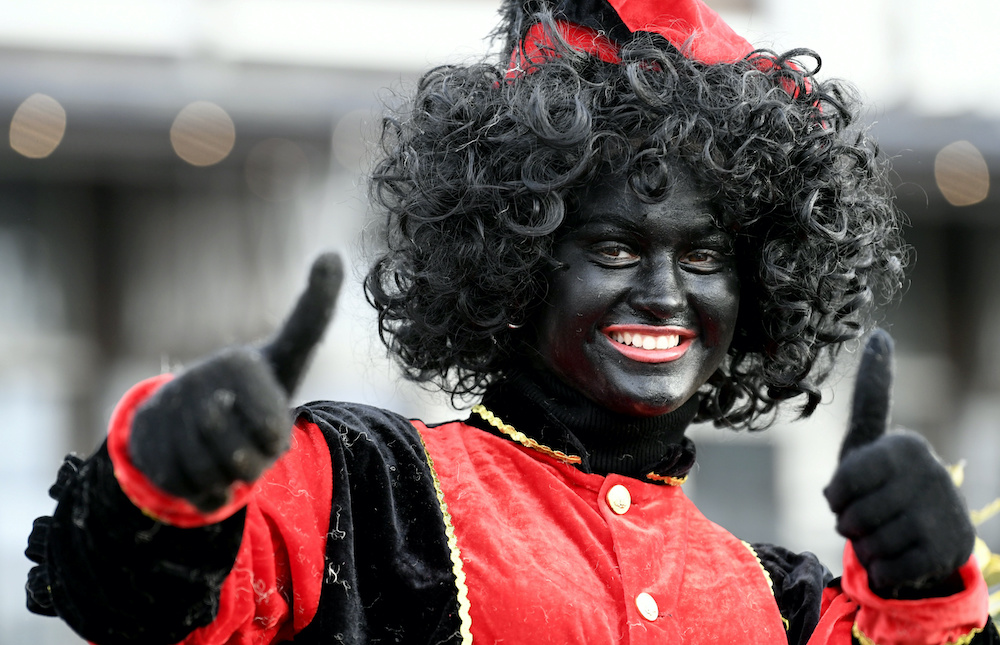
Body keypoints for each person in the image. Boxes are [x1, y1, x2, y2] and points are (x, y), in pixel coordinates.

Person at [25, 0, 994, 643]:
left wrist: (926, 584)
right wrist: (163, 477)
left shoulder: (775, 601)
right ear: (517, 264)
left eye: (701, 257)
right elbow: (129, 598)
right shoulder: (362, 493)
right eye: (614, 249)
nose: (663, 292)